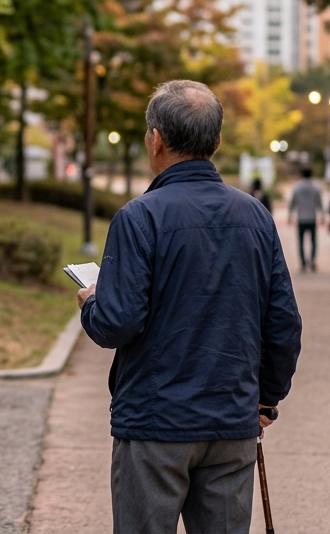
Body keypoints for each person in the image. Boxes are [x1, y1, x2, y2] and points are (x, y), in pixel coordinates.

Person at [77, 80, 302, 534]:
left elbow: (117, 323)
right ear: (216, 142)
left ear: (155, 139)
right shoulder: (255, 216)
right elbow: (283, 322)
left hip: (155, 423)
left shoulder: (139, 217)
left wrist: (91, 302)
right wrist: (266, 398)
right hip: (231, 420)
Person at [288, 168, 324, 272]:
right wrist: (322, 215)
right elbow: (319, 203)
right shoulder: (316, 187)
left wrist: (290, 215)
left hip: (301, 218)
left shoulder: (297, 187)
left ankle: (303, 263)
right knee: (313, 241)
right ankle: (312, 259)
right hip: (312, 217)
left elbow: (293, 202)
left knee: (301, 242)